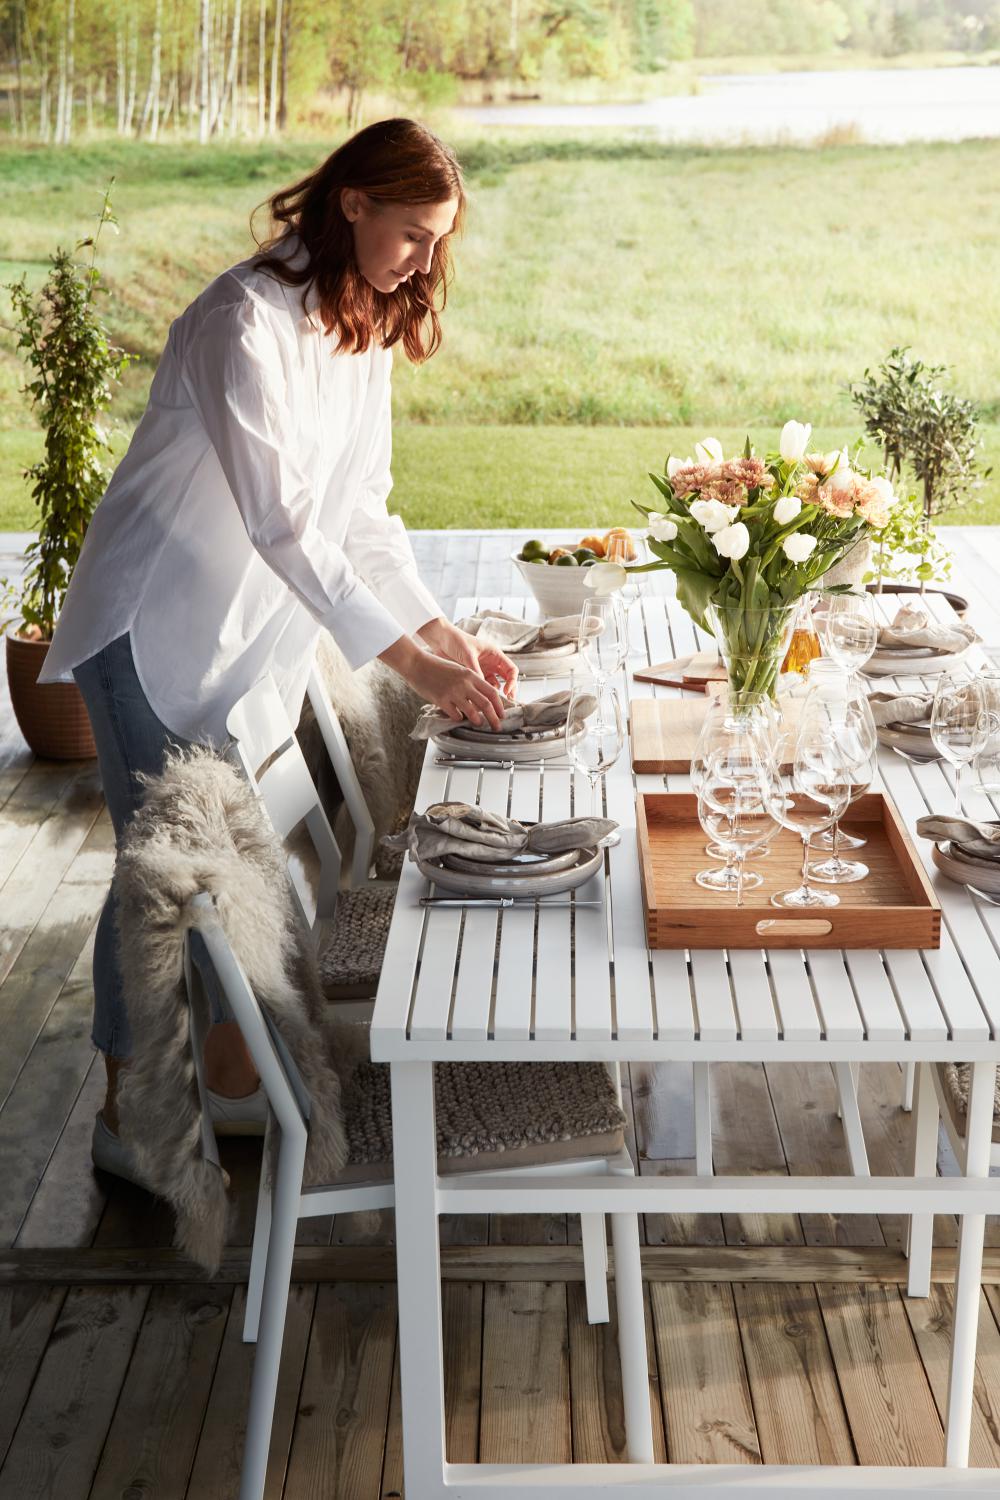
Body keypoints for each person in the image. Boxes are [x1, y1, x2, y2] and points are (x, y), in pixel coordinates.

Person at [41, 118, 517, 1183]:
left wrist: (447, 640)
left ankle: (230, 1080)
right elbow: (285, 526)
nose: (425, 262)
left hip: (245, 634)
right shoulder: (236, 322)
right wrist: (416, 666)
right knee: (158, 878)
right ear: (352, 203)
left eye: (438, 242)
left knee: (229, 871)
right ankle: (130, 1119)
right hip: (149, 628)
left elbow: (364, 520)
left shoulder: (360, 328)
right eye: (412, 234)